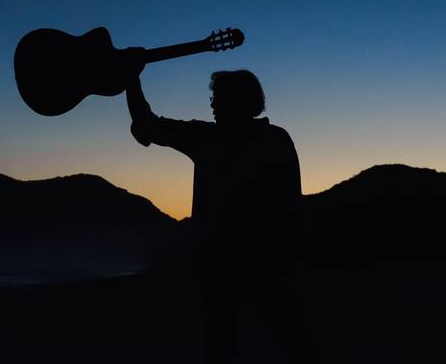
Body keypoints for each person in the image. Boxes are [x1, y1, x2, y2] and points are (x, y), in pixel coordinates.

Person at [125, 67, 308, 363]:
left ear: (236, 100)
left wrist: (131, 80)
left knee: (231, 339)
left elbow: (146, 125)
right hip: (263, 258)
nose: (212, 104)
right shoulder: (274, 139)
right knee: (285, 334)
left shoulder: (208, 138)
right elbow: (291, 202)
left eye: (217, 97)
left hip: (235, 259)